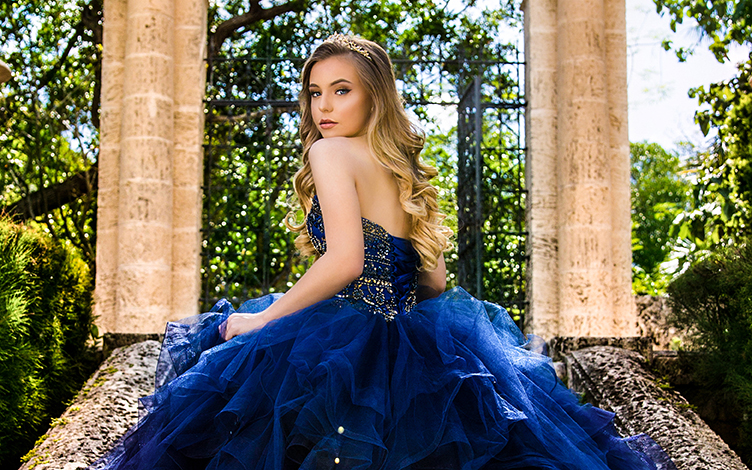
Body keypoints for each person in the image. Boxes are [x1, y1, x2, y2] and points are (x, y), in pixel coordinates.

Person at [92, 34, 674, 470]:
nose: (324, 107)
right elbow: (435, 283)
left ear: (376, 97)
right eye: (316, 92)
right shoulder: (402, 171)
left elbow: (344, 261)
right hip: (417, 340)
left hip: (345, 340)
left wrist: (265, 319)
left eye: (341, 91)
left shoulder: (329, 154)